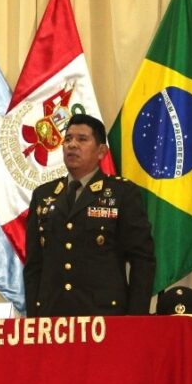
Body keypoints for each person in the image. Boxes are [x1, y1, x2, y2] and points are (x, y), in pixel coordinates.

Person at [24, 113, 155, 316]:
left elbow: (142, 260)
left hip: (104, 319)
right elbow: (34, 266)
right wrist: (33, 318)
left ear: (101, 151)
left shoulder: (122, 193)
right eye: (67, 139)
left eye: (82, 139)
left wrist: (135, 320)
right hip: (52, 318)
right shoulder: (44, 195)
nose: (72, 145)